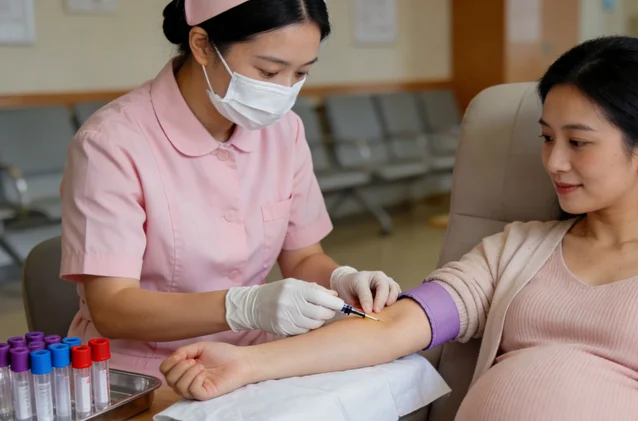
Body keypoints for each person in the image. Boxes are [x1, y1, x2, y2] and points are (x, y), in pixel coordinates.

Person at [159, 36, 638, 420]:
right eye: (547, 139)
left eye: (579, 142)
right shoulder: (516, 249)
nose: (554, 161)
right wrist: (249, 365)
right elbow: (394, 326)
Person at [59, 0, 401, 380]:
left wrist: (341, 279)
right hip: (143, 372)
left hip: (255, 359)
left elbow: (303, 258)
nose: (285, 91)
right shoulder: (111, 143)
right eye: (268, 71)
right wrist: (243, 306)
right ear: (203, 45)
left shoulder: (285, 132)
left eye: (301, 73)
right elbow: (113, 308)